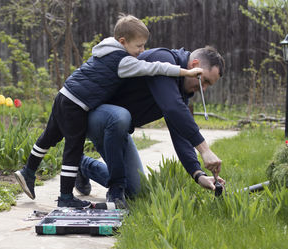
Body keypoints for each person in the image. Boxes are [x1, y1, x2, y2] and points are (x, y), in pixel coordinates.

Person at [14, 14, 203, 208]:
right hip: (78, 105)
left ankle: (28, 171)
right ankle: (65, 197)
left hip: (64, 95)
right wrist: (186, 72)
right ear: (123, 41)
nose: (142, 50)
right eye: (139, 46)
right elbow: (155, 68)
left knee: (47, 138)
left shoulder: (105, 50)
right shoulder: (124, 61)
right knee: (73, 149)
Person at [75, 46, 226, 204]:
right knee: (121, 116)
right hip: (92, 114)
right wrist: (205, 150)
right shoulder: (163, 59)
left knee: (135, 190)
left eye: (209, 85)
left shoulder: (180, 89)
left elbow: (180, 134)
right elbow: (173, 107)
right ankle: (110, 183)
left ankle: (81, 165)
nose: (203, 88)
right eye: (205, 81)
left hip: (118, 128)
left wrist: (198, 175)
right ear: (194, 65)